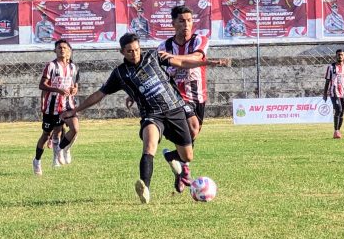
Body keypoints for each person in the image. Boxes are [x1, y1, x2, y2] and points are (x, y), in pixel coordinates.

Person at [61, 33, 225, 204]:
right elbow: (100, 94)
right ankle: (145, 188)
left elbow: (182, 62)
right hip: (152, 114)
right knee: (149, 145)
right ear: (122, 52)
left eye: (137, 49)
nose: (134, 53)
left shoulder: (154, 56)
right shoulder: (120, 74)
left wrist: (208, 62)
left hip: (175, 109)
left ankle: (173, 158)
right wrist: (76, 110)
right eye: (130, 51)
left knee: (188, 156)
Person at [158, 5, 227, 193]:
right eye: (182, 20)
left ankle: (178, 163)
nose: (186, 24)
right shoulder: (164, 46)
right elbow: (161, 71)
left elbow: (196, 58)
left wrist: (173, 58)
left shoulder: (200, 40)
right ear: (173, 23)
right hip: (175, 96)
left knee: (191, 136)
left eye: (189, 20)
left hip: (198, 96)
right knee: (192, 128)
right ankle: (184, 167)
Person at [33, 39, 79, 175]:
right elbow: (42, 85)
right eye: (59, 47)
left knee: (74, 129)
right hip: (52, 106)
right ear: (55, 50)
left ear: (69, 51)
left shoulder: (73, 67)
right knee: (46, 134)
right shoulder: (51, 66)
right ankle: (37, 160)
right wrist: (57, 90)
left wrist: (74, 89)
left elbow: (75, 84)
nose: (62, 49)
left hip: (67, 105)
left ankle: (60, 152)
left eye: (64, 47)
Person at [323, 49, 344, 139]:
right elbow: (327, 81)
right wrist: (325, 93)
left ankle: (338, 130)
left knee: (341, 112)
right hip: (334, 92)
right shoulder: (331, 67)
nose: (340, 56)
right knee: (338, 109)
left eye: (341, 55)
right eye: (338, 55)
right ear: (336, 56)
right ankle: (336, 131)